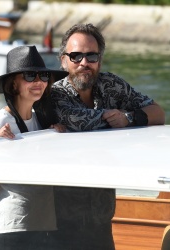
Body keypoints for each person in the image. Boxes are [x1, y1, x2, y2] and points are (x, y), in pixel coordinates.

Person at [49, 23, 165, 250]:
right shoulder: (54, 93)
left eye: (91, 56)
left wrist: (128, 118)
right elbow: (77, 121)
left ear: (99, 60)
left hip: (102, 211)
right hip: (61, 216)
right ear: (63, 60)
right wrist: (112, 118)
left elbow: (158, 112)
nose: (84, 63)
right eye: (76, 56)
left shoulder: (112, 84)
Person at [0, 45, 68, 250]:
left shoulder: (41, 122)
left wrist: (57, 137)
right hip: (11, 229)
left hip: (43, 227)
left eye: (43, 75)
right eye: (29, 75)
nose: (38, 81)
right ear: (13, 84)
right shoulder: (0, 122)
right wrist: (0, 151)